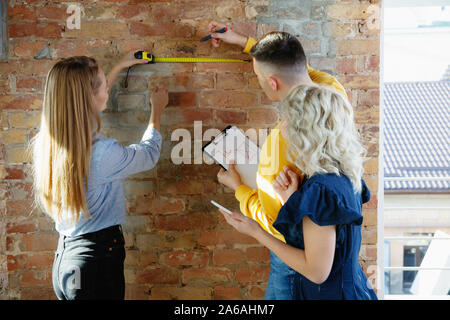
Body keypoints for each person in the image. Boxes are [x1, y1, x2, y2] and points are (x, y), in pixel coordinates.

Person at [208, 21, 348, 299]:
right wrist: (244, 43)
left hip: (294, 262)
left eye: (259, 77)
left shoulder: (288, 147)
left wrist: (239, 189)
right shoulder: (334, 93)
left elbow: (276, 219)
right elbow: (296, 66)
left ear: (272, 83)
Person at [30, 52, 169, 300]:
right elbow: (148, 154)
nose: (107, 88)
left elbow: (87, 108)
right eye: (104, 85)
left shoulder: (49, 143)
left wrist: (119, 66)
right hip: (96, 265)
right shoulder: (103, 154)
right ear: (90, 98)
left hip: (66, 261)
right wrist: (156, 110)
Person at [220, 84, 378, 300]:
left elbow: (317, 272)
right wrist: (293, 200)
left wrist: (256, 231)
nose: (281, 126)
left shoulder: (321, 190)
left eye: (285, 119)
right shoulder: (344, 175)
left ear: (303, 130)